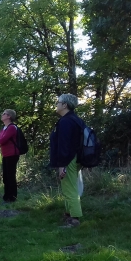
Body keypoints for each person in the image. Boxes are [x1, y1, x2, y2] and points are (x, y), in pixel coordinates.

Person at [50, 93, 84, 226]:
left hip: (68, 159)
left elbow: (64, 144)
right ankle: (69, 214)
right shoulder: (75, 119)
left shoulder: (66, 121)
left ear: (65, 105)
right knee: (69, 186)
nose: (56, 105)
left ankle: (75, 218)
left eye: (58, 102)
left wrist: (62, 164)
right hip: (74, 158)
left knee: (70, 188)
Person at [0, 109, 20, 203]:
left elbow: (1, 140)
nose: (2, 115)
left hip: (12, 154)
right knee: (5, 176)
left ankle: (12, 198)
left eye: (4, 113)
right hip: (5, 155)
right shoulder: (3, 128)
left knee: (10, 176)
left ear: (9, 116)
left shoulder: (12, 127)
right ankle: (6, 197)